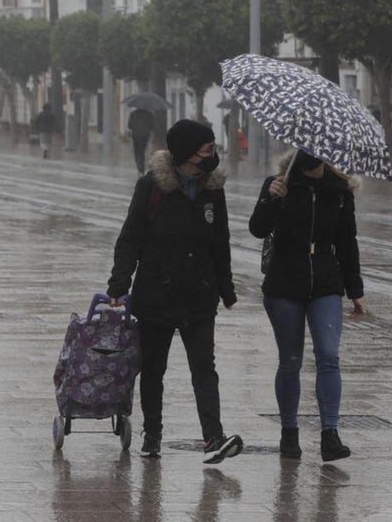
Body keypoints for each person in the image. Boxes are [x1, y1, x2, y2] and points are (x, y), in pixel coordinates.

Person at [105, 119, 242, 464]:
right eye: (207, 148)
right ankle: (152, 434)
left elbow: (221, 242)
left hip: (200, 294)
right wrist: (119, 285)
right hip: (157, 295)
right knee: (153, 369)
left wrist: (226, 289)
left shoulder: (213, 189)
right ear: (186, 152)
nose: (212, 154)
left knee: (204, 368)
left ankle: (213, 437)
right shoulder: (152, 187)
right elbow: (130, 238)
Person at [248, 149, 366, 462]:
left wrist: (355, 289)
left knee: (328, 356)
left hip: (326, 281)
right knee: (290, 361)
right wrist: (271, 199)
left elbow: (347, 241)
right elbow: (258, 228)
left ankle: (330, 434)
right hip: (284, 281)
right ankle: (289, 432)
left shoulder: (340, 191)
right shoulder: (279, 183)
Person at [127, 107, 154, 175]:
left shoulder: (133, 113)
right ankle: (141, 168)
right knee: (142, 151)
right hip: (145, 135)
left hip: (136, 135)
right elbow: (152, 126)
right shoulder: (150, 114)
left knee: (137, 151)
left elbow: (129, 125)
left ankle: (140, 168)